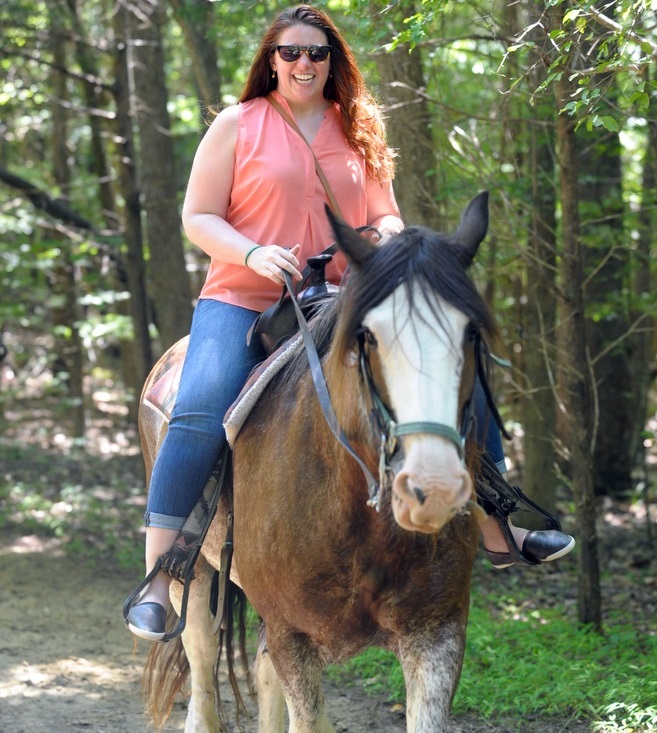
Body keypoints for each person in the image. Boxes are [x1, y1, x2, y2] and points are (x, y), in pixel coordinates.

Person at [125, 4, 574, 642]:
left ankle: (498, 523)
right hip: (248, 296)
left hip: (342, 294)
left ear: (333, 60)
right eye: (291, 53)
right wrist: (253, 252)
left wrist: (388, 239)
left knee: (449, 366)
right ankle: (160, 579)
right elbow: (197, 217)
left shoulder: (360, 126)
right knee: (199, 403)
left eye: (317, 53)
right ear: (270, 62)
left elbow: (386, 213)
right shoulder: (236, 125)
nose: (304, 64)